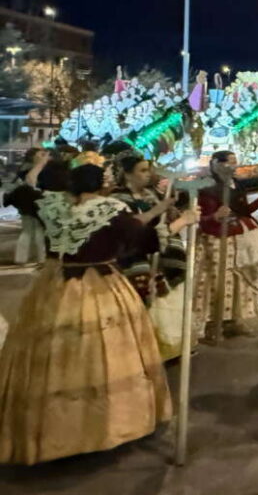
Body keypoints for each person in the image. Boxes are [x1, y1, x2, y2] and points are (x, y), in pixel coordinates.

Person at [0, 164, 172, 465]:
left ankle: (46, 430)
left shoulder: (49, 204)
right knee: (102, 353)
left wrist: (39, 170)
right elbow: (141, 234)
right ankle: (100, 428)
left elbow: (19, 193)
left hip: (52, 285)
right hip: (98, 285)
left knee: (48, 351)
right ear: (103, 184)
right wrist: (171, 212)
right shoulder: (109, 210)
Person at [111, 154, 199, 360]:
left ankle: (174, 348)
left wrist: (175, 212)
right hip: (139, 256)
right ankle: (149, 349)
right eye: (142, 170)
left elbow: (167, 218)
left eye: (149, 170)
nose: (148, 174)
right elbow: (132, 230)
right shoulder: (118, 199)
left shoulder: (151, 194)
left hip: (165, 254)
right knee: (149, 301)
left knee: (170, 303)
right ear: (127, 174)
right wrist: (168, 219)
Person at [194, 151, 258, 341]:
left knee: (239, 283)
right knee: (217, 284)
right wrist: (215, 216)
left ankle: (233, 321)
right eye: (230, 162)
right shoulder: (207, 187)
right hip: (217, 241)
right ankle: (213, 325)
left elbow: (245, 211)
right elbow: (201, 220)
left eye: (235, 162)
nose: (234, 166)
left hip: (239, 241)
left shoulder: (236, 185)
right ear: (217, 164)